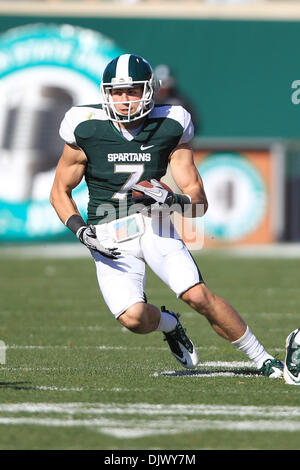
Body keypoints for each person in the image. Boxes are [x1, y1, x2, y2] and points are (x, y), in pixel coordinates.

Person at [50, 53, 283, 377]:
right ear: (105, 93)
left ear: (149, 91)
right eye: (116, 92)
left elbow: (199, 203)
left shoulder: (171, 123)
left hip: (153, 224)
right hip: (107, 233)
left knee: (197, 295)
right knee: (132, 319)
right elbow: (59, 192)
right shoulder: (85, 125)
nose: (123, 99)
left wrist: (172, 199)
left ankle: (265, 360)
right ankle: (169, 324)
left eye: (131, 91)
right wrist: (80, 231)